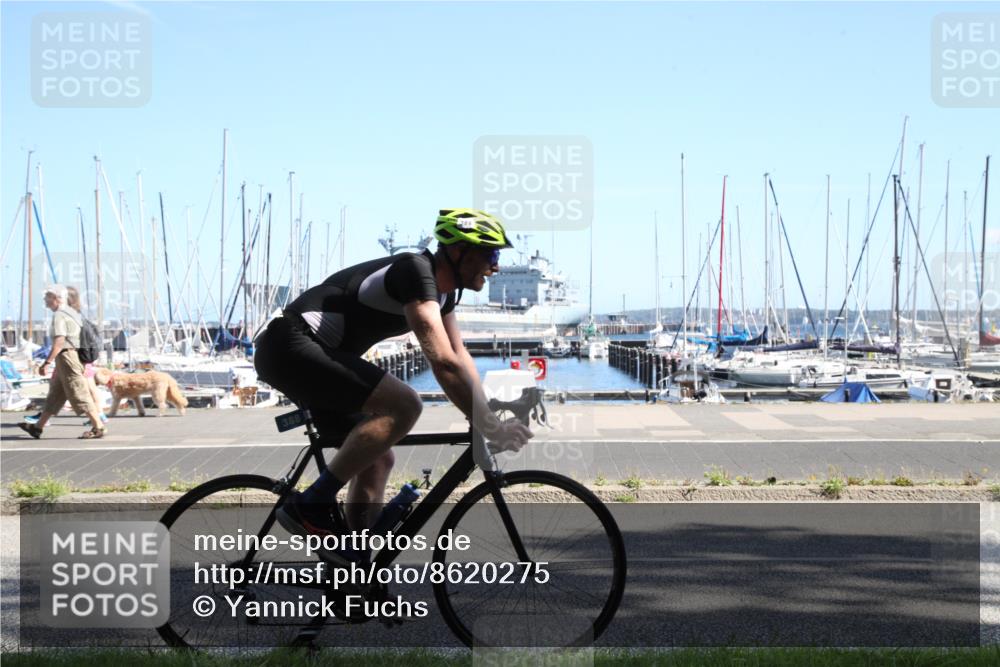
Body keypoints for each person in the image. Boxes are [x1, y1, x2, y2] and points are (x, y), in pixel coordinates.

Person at [254, 209, 532, 562]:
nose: (495, 266)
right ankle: (310, 504)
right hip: (289, 346)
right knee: (405, 405)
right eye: (491, 254)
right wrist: (489, 425)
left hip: (317, 354)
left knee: (377, 457)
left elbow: (460, 358)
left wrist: (485, 415)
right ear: (460, 251)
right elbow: (443, 363)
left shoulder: (446, 295)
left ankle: (354, 570)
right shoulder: (414, 272)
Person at [18, 284, 107, 439]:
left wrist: (46, 363)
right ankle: (37, 428)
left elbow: (59, 341)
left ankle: (98, 427)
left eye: (47, 297)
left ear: (56, 298)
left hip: (67, 357)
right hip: (66, 358)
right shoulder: (70, 312)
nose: (45, 300)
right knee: (56, 394)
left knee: (78, 391)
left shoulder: (60, 314)